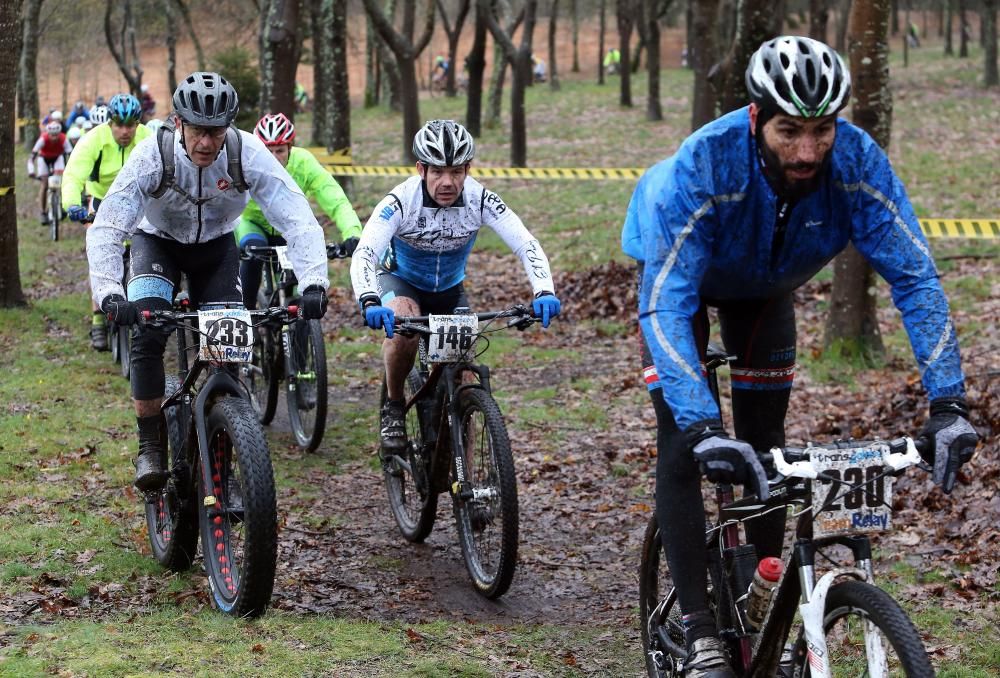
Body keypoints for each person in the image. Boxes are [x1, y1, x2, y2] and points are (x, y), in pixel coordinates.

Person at [621, 36, 978, 677]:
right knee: (682, 441)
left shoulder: (857, 164)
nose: (808, 151)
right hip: (677, 281)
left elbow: (916, 278)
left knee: (765, 450)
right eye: (790, 131)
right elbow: (666, 305)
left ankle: (757, 610)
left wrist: (948, 401)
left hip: (765, 292)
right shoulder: (705, 163)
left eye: (822, 130)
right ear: (757, 118)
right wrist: (704, 427)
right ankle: (701, 632)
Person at [86, 72, 330, 492]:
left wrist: (313, 281)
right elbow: (108, 225)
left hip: (216, 248)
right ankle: (150, 445)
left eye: (216, 132)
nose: (206, 143)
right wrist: (109, 292)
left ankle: (225, 456)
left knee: (227, 350)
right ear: (179, 123)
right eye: (198, 131)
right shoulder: (152, 155)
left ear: (228, 129)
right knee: (148, 333)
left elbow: (295, 213)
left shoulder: (245, 152)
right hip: (156, 244)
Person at [350, 119, 562, 458]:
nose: (447, 182)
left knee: (463, 374)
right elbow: (366, 251)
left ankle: (465, 470)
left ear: (468, 169)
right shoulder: (401, 201)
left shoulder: (480, 199)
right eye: (437, 172)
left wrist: (544, 290)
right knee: (404, 328)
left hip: (449, 290)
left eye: (457, 171)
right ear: (421, 168)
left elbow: (526, 243)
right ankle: (393, 406)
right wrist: (369, 298)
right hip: (401, 281)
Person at [235, 112, 362, 309]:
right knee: (253, 254)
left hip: (290, 228)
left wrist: (352, 232)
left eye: (280, 151)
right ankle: (246, 316)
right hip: (254, 225)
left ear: (290, 149)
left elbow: (334, 198)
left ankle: (299, 325)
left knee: (302, 274)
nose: (274, 159)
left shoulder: (304, 163)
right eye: (268, 152)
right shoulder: (247, 163)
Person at [63, 94, 150, 351]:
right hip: (102, 200)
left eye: (130, 125)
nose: (125, 131)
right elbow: (72, 174)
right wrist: (72, 205)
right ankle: (98, 319)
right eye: (119, 125)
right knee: (99, 254)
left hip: (138, 202)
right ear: (110, 123)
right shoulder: (94, 140)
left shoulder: (148, 138)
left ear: (138, 123)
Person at [28, 120, 73, 224]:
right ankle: (43, 212)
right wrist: (31, 171)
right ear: (48, 133)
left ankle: (60, 205)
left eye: (56, 135)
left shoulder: (63, 138)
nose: (54, 137)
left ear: (59, 133)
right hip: (43, 159)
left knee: (59, 181)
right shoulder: (43, 139)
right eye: (52, 135)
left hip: (57, 158)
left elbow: (71, 154)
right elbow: (32, 157)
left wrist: (72, 168)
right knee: (44, 185)